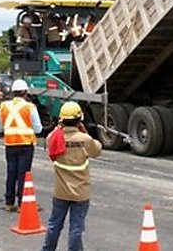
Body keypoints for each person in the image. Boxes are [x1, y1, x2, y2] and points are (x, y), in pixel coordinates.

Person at [41, 102, 102, 251]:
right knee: (76, 229)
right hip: (80, 193)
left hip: (61, 192)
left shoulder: (55, 137)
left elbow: (49, 140)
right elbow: (97, 150)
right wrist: (85, 132)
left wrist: (58, 127)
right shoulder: (84, 139)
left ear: (61, 120)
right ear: (79, 119)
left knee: (54, 225)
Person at [0, 79, 42, 212]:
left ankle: (9, 202)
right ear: (25, 92)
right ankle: (22, 202)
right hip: (26, 144)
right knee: (23, 174)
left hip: (10, 144)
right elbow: (38, 129)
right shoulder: (30, 107)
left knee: (11, 172)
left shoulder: (4, 106)